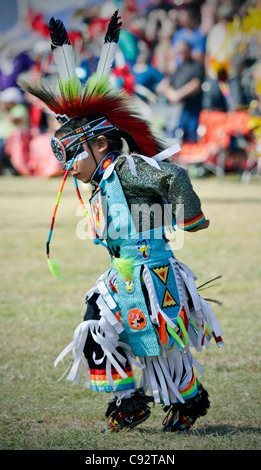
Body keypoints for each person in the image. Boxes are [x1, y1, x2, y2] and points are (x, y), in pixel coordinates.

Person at [19, 11, 224, 433]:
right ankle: (129, 398)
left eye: (71, 155)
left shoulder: (128, 168)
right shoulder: (104, 178)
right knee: (97, 321)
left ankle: (188, 400)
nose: (67, 166)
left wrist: (192, 218)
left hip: (153, 271)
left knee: (159, 342)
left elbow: (173, 174)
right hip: (123, 273)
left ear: (98, 143)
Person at [160, 41, 205, 142]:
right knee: (177, 137)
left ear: (189, 51)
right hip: (179, 111)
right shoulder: (178, 69)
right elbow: (166, 84)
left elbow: (195, 84)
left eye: (183, 51)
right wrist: (171, 94)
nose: (180, 54)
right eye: (178, 52)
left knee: (192, 137)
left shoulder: (196, 66)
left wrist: (179, 94)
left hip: (194, 110)